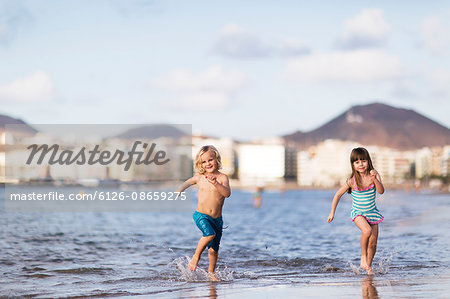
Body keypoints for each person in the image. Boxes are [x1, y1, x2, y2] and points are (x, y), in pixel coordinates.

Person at [327, 147, 385, 275]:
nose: (361, 164)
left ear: (368, 161)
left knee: (373, 243)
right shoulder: (351, 181)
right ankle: (363, 257)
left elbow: (381, 191)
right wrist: (332, 212)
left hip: (373, 213)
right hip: (358, 213)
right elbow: (337, 195)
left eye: (363, 161)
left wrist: (375, 179)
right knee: (367, 231)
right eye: (357, 162)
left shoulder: (374, 176)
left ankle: (368, 267)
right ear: (353, 165)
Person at [177, 145, 231, 281]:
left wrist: (216, 184)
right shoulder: (200, 177)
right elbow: (187, 182)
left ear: (217, 160)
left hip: (217, 220)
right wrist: (179, 191)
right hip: (201, 216)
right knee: (209, 234)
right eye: (204, 162)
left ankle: (211, 273)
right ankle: (196, 257)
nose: (208, 164)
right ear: (200, 164)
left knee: (213, 249)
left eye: (210, 160)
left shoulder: (223, 178)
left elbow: (227, 193)